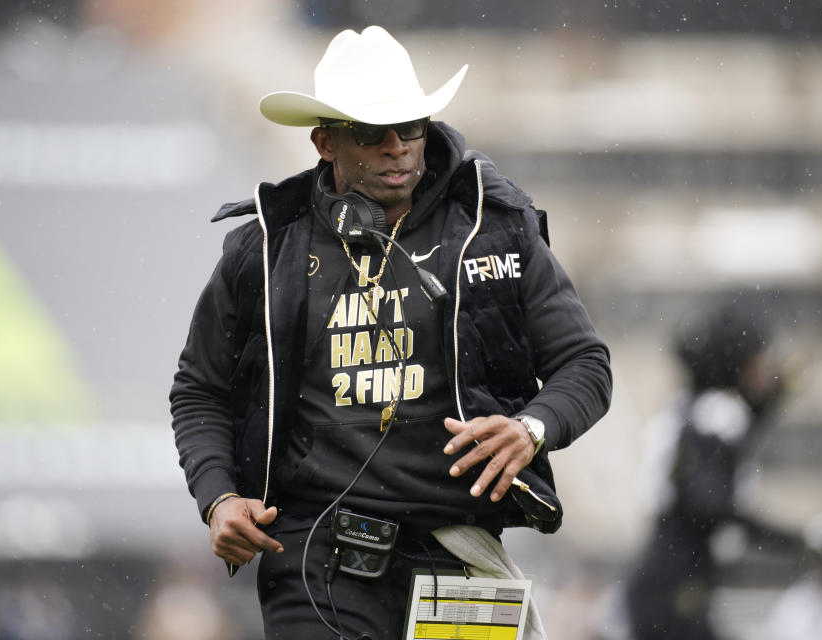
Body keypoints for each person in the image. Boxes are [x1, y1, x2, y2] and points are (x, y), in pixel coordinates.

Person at [170, 26, 612, 640]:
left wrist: (530, 429)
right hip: (314, 559)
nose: (398, 147)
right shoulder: (265, 249)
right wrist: (218, 498)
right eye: (372, 133)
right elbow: (199, 389)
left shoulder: (495, 227)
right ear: (325, 141)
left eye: (411, 127)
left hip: (461, 557)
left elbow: (586, 365)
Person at [623, 299, 792, 640]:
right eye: (757, 361)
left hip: (669, 589)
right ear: (735, 366)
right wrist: (794, 541)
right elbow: (711, 504)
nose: (765, 370)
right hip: (675, 596)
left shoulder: (694, 411)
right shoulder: (716, 420)